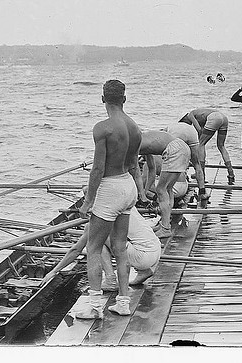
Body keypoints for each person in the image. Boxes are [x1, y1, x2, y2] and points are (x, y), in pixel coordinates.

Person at [76, 79, 142, 319]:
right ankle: (123, 303)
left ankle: (95, 307)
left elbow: (97, 170)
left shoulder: (103, 128)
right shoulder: (135, 128)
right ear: (124, 99)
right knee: (120, 247)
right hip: (128, 186)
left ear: (102, 98)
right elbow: (134, 165)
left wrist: (87, 202)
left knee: (93, 248)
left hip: (111, 188)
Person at [41, 206, 161, 289]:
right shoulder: (124, 201)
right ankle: (144, 271)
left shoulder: (102, 215)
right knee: (120, 236)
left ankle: (110, 280)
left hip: (143, 256)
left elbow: (76, 250)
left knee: (94, 240)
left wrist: (54, 271)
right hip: (157, 250)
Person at [137, 130, 191, 240]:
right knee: (168, 189)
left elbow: (135, 171)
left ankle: (165, 229)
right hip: (182, 146)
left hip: (174, 149)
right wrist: (145, 191)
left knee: (161, 189)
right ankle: (165, 224)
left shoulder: (132, 143)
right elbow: (152, 169)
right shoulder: (144, 140)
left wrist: (142, 196)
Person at [179, 108, 236, 183]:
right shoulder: (200, 115)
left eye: (184, 121)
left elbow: (199, 130)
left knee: (201, 145)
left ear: (184, 117)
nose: (186, 124)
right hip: (223, 118)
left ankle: (201, 174)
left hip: (214, 117)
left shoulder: (190, 114)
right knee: (221, 146)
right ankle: (231, 172)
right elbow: (201, 132)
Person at [166, 122, 209, 203]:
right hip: (192, 134)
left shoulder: (169, 127)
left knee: (173, 160)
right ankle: (202, 192)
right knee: (197, 164)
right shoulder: (189, 126)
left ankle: (174, 186)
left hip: (176, 135)